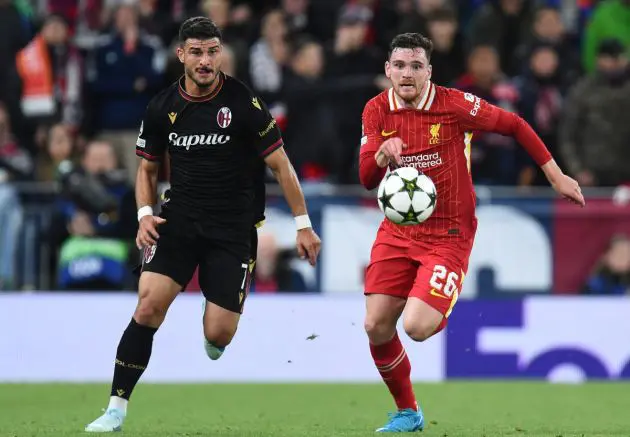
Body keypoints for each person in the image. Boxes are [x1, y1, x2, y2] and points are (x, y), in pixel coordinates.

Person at [85, 17, 321, 433]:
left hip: (232, 230)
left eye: (213, 51)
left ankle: (216, 325)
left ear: (220, 52)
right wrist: (144, 215)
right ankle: (116, 409)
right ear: (181, 55)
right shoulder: (162, 107)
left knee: (219, 333)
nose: (206, 60)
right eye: (196, 52)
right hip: (179, 221)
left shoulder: (243, 103)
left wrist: (303, 224)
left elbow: (282, 167)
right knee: (148, 304)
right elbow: (146, 170)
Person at [359, 33, 585, 433]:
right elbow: (365, 179)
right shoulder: (376, 110)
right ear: (388, 70)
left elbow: (513, 124)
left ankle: (439, 295)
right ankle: (408, 412)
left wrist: (555, 175)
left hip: (448, 233)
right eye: (399, 66)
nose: (406, 74)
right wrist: (380, 154)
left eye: (416, 66)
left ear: (429, 71)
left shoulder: (454, 104)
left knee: (416, 326)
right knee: (376, 325)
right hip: (398, 230)